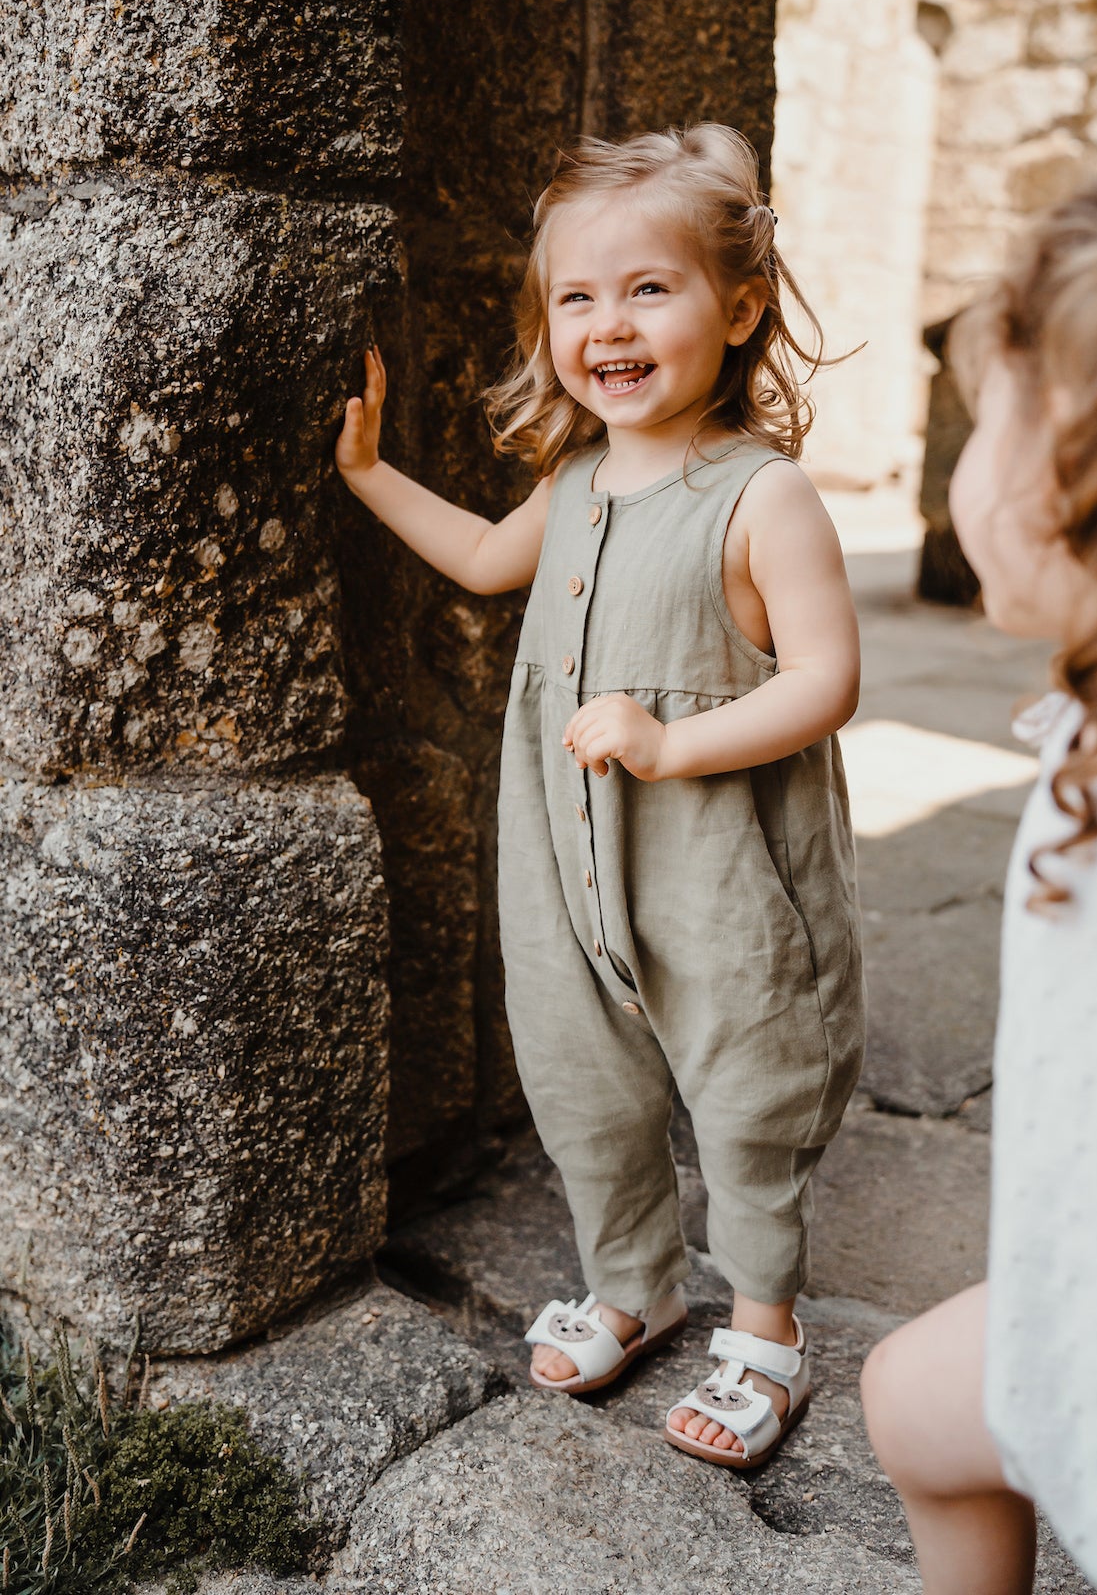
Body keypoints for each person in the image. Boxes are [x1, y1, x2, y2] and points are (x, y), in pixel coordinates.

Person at [337, 123, 866, 1469]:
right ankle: (633, 1284)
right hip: (570, 868)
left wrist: (667, 743)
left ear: (738, 308)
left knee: (750, 1087)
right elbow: (478, 558)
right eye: (578, 296)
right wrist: (365, 472)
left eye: (649, 289)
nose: (607, 324)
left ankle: (766, 1331)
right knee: (585, 1084)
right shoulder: (572, 482)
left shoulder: (763, 496)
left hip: (719, 870)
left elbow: (827, 681)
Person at [860, 149, 1097, 1593]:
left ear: (1096, 472)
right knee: (911, 1401)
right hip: (1093, 1285)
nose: (961, 460)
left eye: (987, 410)